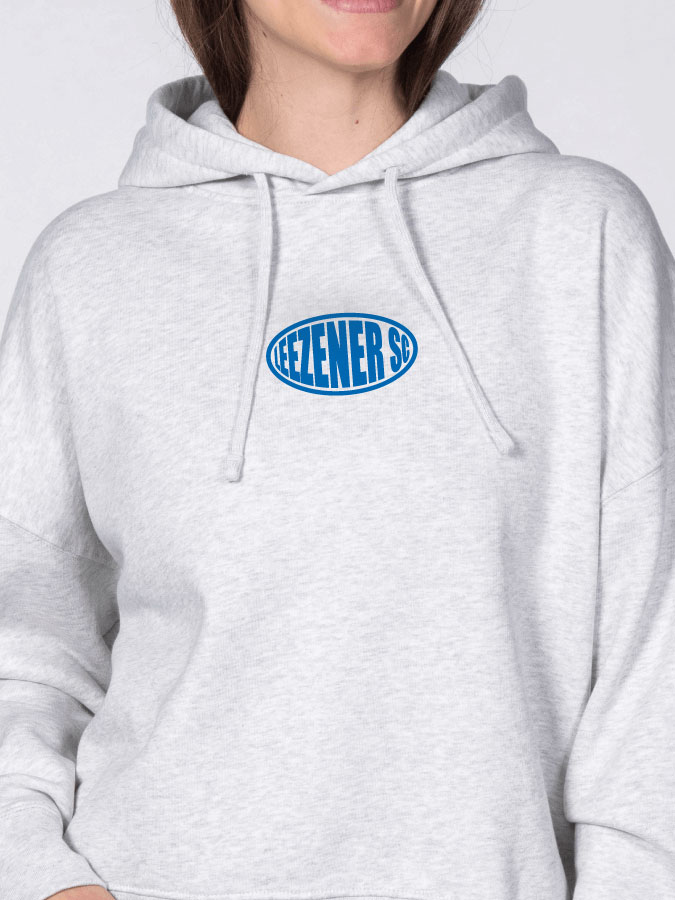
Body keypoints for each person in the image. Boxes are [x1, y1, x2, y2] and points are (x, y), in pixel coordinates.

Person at [1, 1, 674, 899]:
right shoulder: (90, 267)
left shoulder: (580, 233)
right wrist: (40, 876)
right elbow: (25, 645)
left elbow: (655, 655)